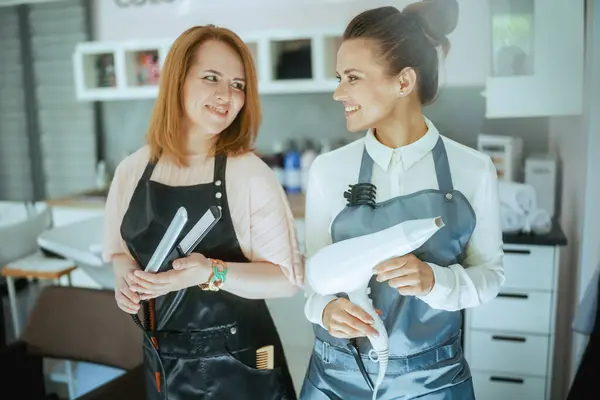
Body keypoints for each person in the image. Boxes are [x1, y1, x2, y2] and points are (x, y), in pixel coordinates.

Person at [300, 1, 505, 399]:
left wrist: (435, 281)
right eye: (339, 77)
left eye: (352, 78)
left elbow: (491, 276)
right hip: (335, 380)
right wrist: (324, 310)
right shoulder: (328, 170)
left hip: (433, 382)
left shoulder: (473, 170)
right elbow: (313, 278)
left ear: (403, 82)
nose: (338, 92)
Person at [102, 25, 302, 400]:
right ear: (177, 80)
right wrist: (126, 281)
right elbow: (119, 253)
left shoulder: (249, 173)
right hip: (162, 361)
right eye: (211, 77)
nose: (227, 95)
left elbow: (286, 281)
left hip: (239, 363)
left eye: (238, 85)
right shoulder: (132, 170)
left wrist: (210, 272)